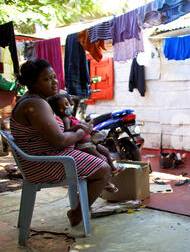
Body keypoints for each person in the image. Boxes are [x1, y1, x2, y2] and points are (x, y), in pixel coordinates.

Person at [10, 59, 112, 226]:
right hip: (44, 163)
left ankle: (83, 203)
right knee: (103, 168)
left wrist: (76, 129)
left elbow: (55, 134)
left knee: (98, 158)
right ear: (32, 83)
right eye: (47, 79)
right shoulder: (35, 104)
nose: (54, 82)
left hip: (46, 157)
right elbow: (59, 141)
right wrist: (81, 132)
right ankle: (78, 213)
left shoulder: (36, 101)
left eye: (54, 77)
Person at [47, 93, 124, 193]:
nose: (66, 108)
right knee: (101, 160)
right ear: (56, 110)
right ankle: (107, 183)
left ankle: (114, 169)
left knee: (106, 152)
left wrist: (90, 131)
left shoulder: (73, 118)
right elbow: (67, 131)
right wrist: (79, 127)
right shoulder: (66, 119)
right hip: (84, 145)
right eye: (61, 107)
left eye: (66, 104)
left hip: (90, 142)